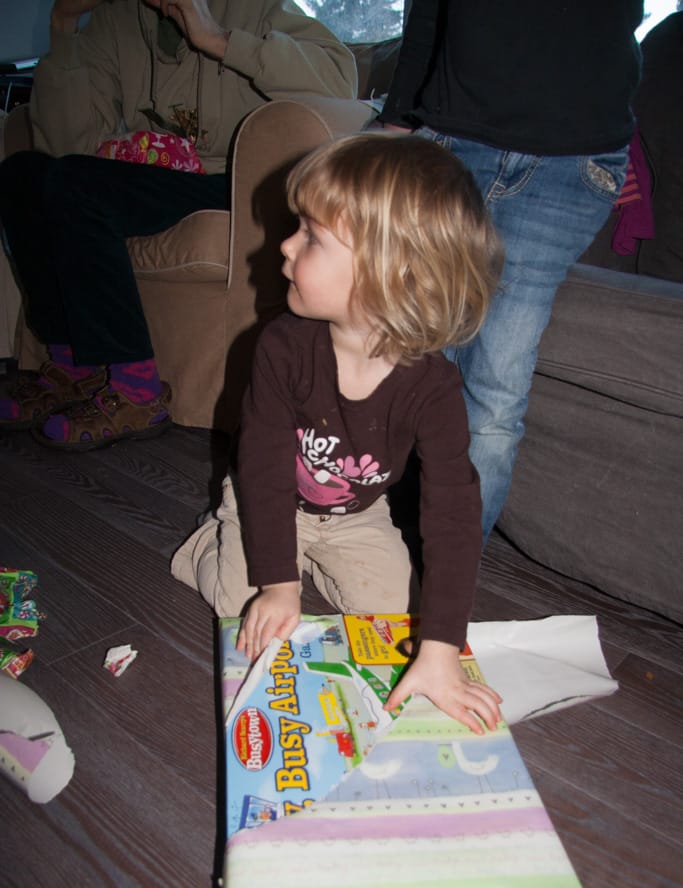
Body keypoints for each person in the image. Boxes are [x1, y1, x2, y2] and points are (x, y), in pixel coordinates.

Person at [171, 132, 504, 732]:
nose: (284, 244)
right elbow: (263, 467)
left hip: (357, 514)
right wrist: (278, 583)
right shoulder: (281, 346)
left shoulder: (435, 389)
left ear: (388, 276)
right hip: (267, 499)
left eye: (311, 236)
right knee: (243, 607)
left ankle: (315, 563)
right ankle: (208, 546)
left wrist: (441, 649)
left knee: (399, 618)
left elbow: (454, 513)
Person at [0, 0, 357, 448]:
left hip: (230, 177)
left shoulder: (257, 7)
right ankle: (72, 364)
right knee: (24, 175)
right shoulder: (117, 20)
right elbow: (66, 146)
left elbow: (342, 81)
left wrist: (219, 40)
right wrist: (64, 25)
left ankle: (137, 389)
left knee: (75, 185)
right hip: (160, 171)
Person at [377, 0, 644, 541]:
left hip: (571, 157)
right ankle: (380, 542)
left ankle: (443, 577)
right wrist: (396, 117)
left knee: (493, 390)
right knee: (404, 356)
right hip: (450, 135)